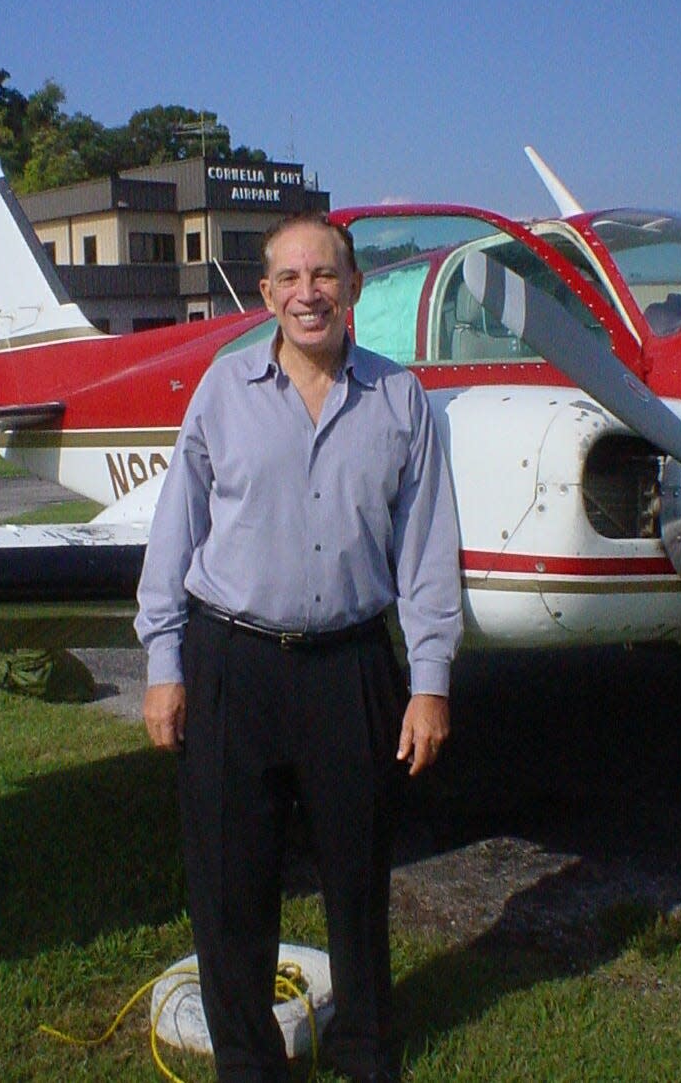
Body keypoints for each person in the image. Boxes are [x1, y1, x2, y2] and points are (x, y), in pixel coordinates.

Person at [135, 211, 462, 1083]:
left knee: (359, 881)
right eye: (288, 277)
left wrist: (428, 683)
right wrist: (164, 665)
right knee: (230, 884)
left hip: (353, 668)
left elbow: (428, 552)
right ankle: (248, 1063)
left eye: (325, 275)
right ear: (268, 293)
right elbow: (175, 536)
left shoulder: (402, 401)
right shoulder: (220, 390)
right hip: (230, 663)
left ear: (354, 289)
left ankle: (364, 1050)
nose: (307, 292)